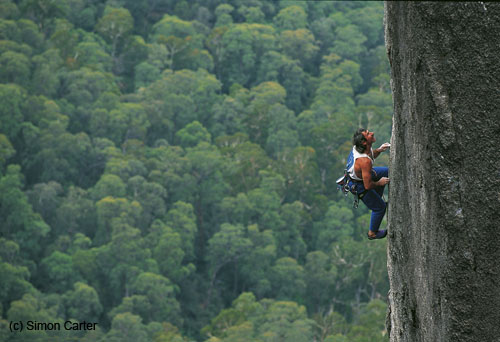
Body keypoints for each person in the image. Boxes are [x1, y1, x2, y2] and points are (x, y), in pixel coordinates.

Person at [348, 128, 390, 240]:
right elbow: (368, 185)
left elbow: (370, 155)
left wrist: (379, 150)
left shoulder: (360, 148)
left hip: (363, 176)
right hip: (360, 186)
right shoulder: (363, 161)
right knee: (380, 207)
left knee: (387, 171)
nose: (372, 133)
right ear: (364, 142)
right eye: (368, 134)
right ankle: (372, 233)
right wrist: (379, 183)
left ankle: (375, 199)